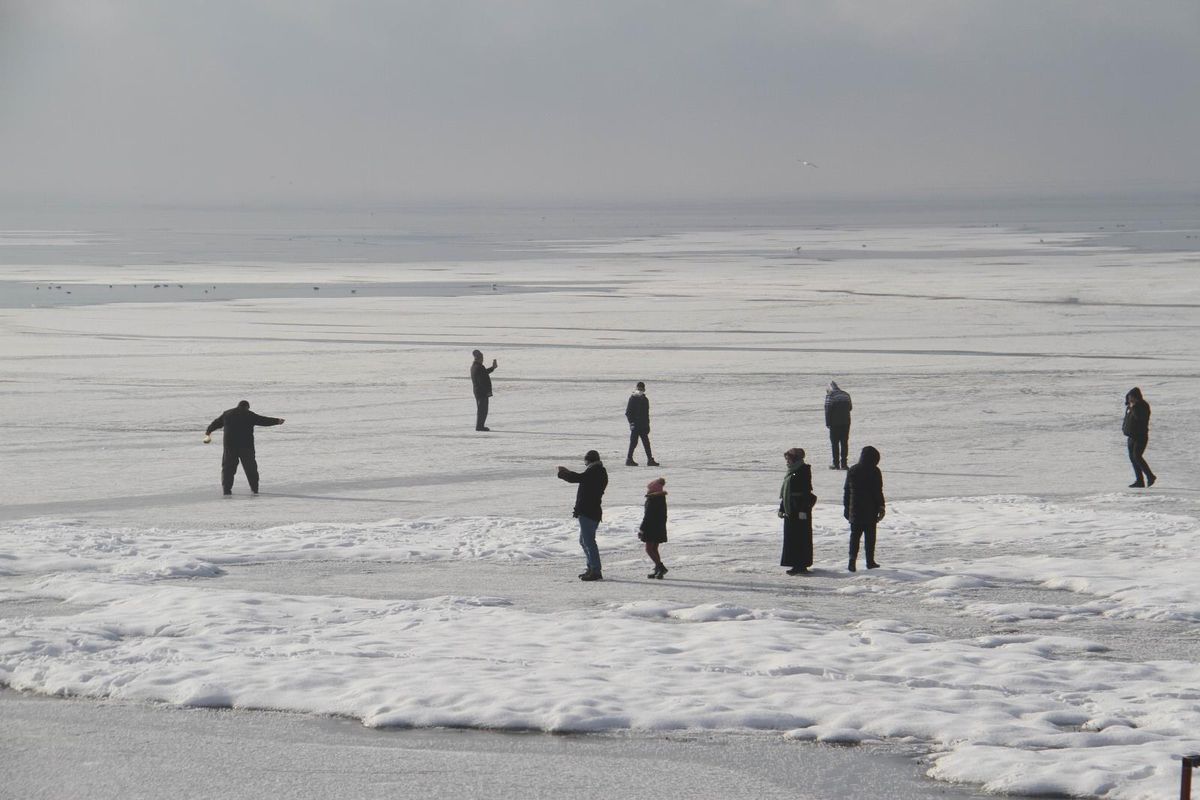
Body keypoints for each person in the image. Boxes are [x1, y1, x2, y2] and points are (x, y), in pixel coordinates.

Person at [203, 400, 284, 496]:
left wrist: (208, 431)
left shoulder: (227, 414)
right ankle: (255, 489)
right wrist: (277, 421)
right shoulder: (249, 415)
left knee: (228, 469)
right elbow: (263, 420)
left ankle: (226, 490)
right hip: (246, 446)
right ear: (247, 407)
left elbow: (216, 423)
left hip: (230, 446)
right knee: (251, 469)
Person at [557, 450, 609, 581]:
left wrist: (564, 473)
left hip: (589, 512)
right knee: (584, 541)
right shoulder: (598, 471)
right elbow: (582, 479)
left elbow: (578, 478)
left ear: (588, 460)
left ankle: (595, 570)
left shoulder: (594, 471)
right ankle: (591, 567)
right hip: (591, 511)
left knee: (589, 542)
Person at [843, 445, 884, 572]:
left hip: (855, 510)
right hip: (870, 510)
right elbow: (878, 491)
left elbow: (847, 490)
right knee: (870, 538)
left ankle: (852, 561)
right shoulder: (875, 471)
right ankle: (870, 561)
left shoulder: (853, 470)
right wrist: (881, 507)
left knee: (854, 537)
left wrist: (846, 508)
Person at [779, 448, 815, 575]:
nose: (787, 462)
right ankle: (795, 563)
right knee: (792, 538)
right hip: (791, 509)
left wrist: (802, 510)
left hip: (799, 510)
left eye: (788, 459)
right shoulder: (791, 471)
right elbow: (785, 493)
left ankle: (801, 564)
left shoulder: (803, 470)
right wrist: (782, 508)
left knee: (801, 537)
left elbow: (805, 492)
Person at [1123, 387, 1157, 488]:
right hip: (1131, 436)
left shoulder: (1142, 405)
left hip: (1140, 436)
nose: (1130, 399)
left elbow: (1140, 418)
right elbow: (1127, 419)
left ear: (1136, 396)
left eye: (1131, 397)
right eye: (1129, 397)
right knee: (1133, 458)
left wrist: (1133, 407)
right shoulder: (1130, 406)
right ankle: (1139, 481)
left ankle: (1150, 476)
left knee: (1137, 456)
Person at [639, 477, 669, 579]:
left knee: (649, 549)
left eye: (649, 488)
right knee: (654, 548)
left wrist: (642, 528)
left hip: (651, 527)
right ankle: (658, 569)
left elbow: (647, 516)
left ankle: (661, 568)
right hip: (659, 527)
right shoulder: (660, 498)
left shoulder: (652, 499)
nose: (648, 490)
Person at [625, 381, 659, 467]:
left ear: (644, 389)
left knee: (646, 443)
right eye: (639, 389)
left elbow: (646, 414)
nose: (640, 390)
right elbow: (628, 412)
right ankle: (629, 459)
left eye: (641, 389)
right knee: (633, 442)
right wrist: (632, 423)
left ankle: (649, 459)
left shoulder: (645, 399)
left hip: (643, 426)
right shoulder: (633, 398)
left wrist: (647, 425)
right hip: (636, 425)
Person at [825, 381, 852, 470]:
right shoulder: (846, 394)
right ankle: (844, 464)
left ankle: (835, 464)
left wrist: (828, 422)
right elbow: (850, 407)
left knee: (835, 444)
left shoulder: (830, 396)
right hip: (846, 422)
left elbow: (828, 410)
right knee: (844, 443)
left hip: (834, 424)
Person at [471, 349, 497, 431]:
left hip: (480, 392)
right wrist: (487, 392)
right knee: (482, 410)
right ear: (478, 358)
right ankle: (479, 426)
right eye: (482, 357)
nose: (483, 359)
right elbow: (482, 380)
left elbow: (484, 373)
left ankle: (480, 426)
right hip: (481, 392)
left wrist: (492, 368)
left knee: (482, 410)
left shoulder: (476, 366)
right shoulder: (478, 367)